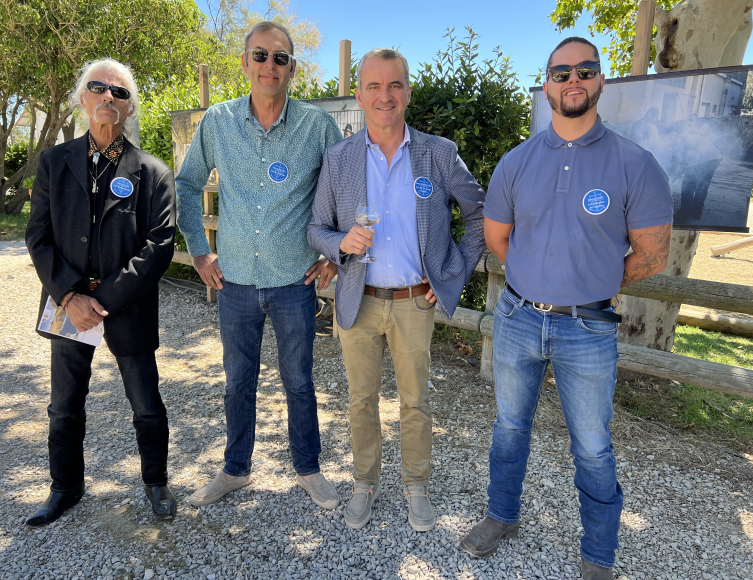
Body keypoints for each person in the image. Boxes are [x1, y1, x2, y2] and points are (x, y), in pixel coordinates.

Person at [459, 38, 673, 580]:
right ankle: (501, 515)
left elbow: (653, 253)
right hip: (518, 317)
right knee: (509, 427)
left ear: (601, 80)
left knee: (594, 447)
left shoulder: (635, 164)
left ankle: (598, 554)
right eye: (561, 72)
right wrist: (540, 280)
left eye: (585, 69)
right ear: (547, 83)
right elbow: (498, 240)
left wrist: (593, 283)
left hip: (589, 326)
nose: (572, 79)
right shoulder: (517, 162)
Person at [307, 48, 486, 532]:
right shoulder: (339, 158)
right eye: (374, 86)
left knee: (415, 402)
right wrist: (339, 243)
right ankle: (364, 481)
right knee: (360, 401)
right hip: (358, 299)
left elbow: (479, 215)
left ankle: (416, 485)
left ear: (407, 92)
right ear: (359, 94)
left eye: (394, 85)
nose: (384, 96)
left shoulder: (438, 153)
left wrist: (453, 273)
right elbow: (316, 228)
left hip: (413, 302)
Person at [175, 22, 343, 510]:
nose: (271, 65)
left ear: (293, 67)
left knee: (299, 382)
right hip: (234, 283)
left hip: (294, 280)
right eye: (261, 55)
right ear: (246, 62)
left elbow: (346, 186)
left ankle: (308, 468)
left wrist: (335, 253)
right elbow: (187, 183)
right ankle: (235, 470)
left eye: (280, 57)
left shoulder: (316, 126)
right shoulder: (218, 121)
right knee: (237, 382)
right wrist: (198, 250)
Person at [25, 58, 177, 527]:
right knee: (63, 406)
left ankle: (156, 482)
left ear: (129, 107)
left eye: (120, 92)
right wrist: (70, 297)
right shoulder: (54, 162)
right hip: (68, 304)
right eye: (99, 87)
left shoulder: (152, 171)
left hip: (125, 306)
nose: (109, 96)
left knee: (146, 403)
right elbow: (38, 237)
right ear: (82, 98)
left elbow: (160, 245)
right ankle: (64, 487)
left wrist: (103, 301)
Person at [676, 114, 722, 223]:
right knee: (702, 186)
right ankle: (697, 212)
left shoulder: (684, 137)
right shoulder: (694, 136)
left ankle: (683, 215)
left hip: (705, 159)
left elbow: (689, 156)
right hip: (716, 158)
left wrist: (683, 167)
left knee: (688, 186)